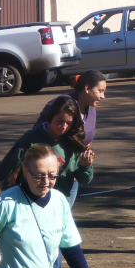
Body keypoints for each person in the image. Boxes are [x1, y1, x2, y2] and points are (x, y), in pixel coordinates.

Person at [0, 96, 94, 268]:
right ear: (50, 117)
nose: (63, 127)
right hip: (30, 199)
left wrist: (85, 166)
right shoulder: (32, 137)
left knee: (57, 237)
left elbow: (85, 178)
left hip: (60, 199)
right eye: (60, 121)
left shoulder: (72, 142)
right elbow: (9, 164)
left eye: (69, 123)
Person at [34, 70, 106, 206]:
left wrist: (87, 156)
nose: (103, 96)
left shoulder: (91, 108)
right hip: (48, 177)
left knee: (64, 214)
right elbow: (36, 136)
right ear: (87, 89)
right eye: (100, 91)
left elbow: (87, 138)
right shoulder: (62, 105)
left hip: (71, 176)